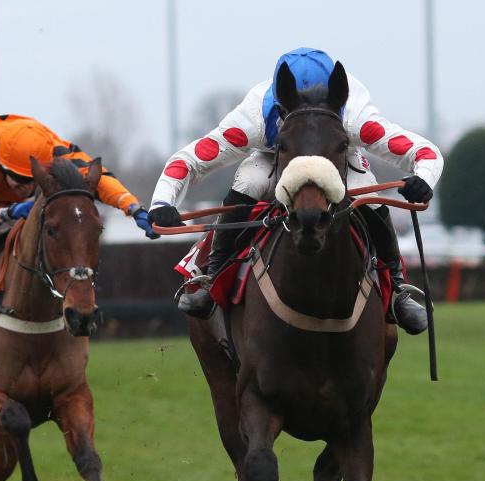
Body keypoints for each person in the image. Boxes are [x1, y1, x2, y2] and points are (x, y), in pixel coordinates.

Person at [147, 47, 444, 335]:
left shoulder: (356, 117)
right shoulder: (253, 117)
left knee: (364, 190)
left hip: (336, 158)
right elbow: (187, 160)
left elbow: (426, 154)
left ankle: (399, 288)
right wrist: (162, 202)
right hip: (280, 156)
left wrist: (423, 180)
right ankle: (213, 279)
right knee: (249, 183)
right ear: (280, 105)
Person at [0, 114, 156, 347]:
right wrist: (8, 212)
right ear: (3, 168)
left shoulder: (52, 149)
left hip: (12, 160)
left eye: (34, 180)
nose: (28, 188)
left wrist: (133, 208)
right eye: (21, 181)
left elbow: (99, 178)